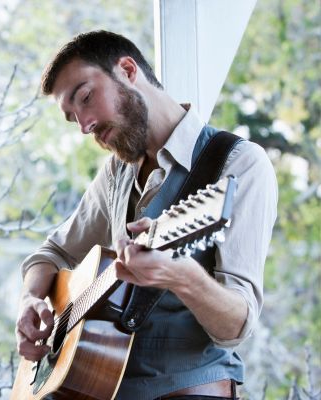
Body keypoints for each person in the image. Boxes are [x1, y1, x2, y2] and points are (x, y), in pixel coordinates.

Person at [15, 30, 277, 399]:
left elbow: (237, 325)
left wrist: (179, 275)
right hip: (100, 388)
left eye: (86, 98)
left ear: (126, 69)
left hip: (190, 387)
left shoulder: (239, 163)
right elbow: (51, 254)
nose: (86, 125)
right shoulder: (116, 173)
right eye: (73, 119)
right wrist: (30, 299)